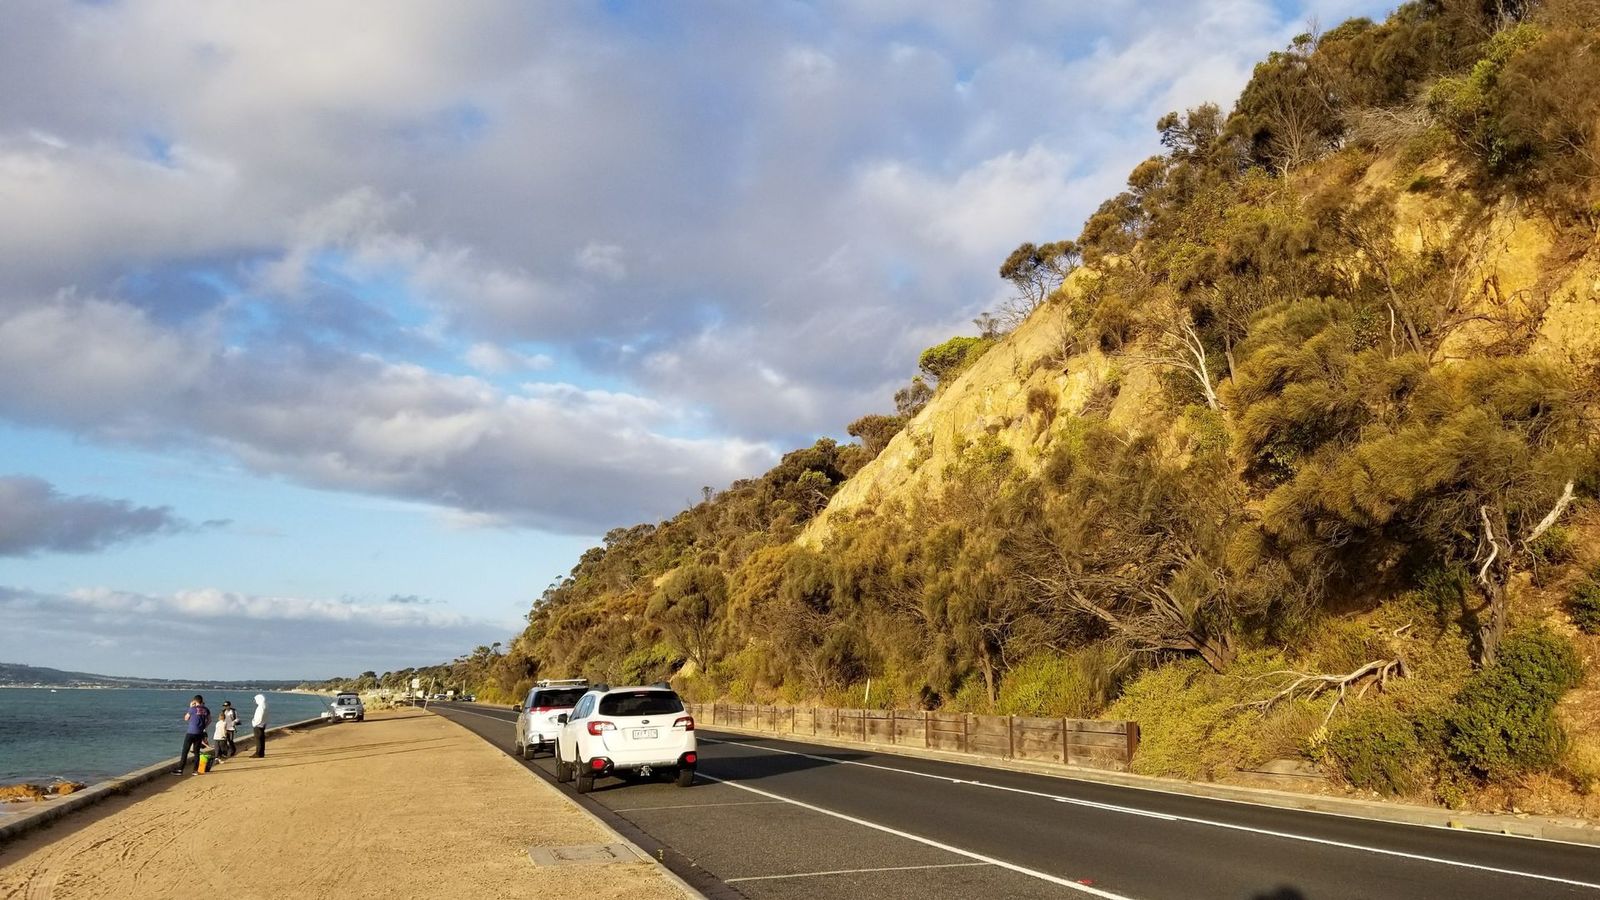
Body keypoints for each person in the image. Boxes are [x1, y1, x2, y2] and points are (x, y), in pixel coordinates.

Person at [174, 694, 210, 775]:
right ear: (201, 701)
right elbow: (209, 720)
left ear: (195, 701)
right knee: (197, 752)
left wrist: (190, 706)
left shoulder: (192, 709)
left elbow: (186, 718)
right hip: (199, 733)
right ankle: (195, 770)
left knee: (185, 751)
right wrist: (204, 726)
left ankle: (180, 769)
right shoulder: (206, 709)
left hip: (191, 732)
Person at [251, 693, 268, 757]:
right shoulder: (265, 705)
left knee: (258, 740)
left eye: (255, 700)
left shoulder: (261, 707)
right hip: (262, 725)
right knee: (261, 740)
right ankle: (261, 753)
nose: (255, 701)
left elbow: (259, 717)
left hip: (258, 725)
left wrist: (254, 723)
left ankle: (258, 753)